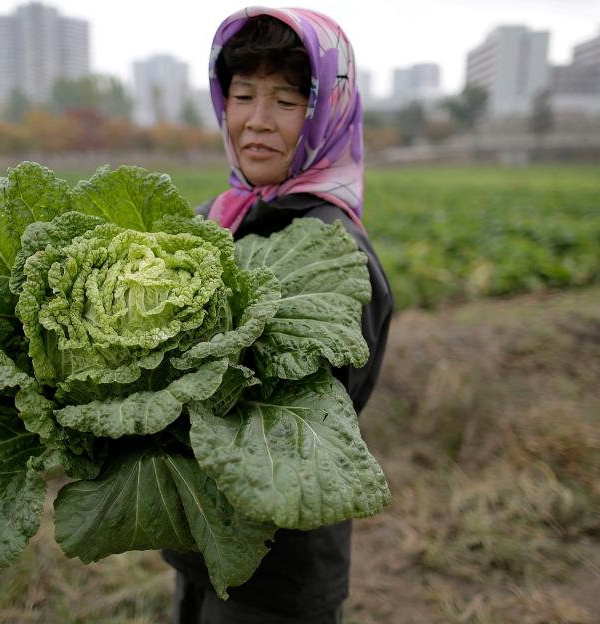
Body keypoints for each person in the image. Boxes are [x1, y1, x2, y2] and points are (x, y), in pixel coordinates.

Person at [161, 7, 393, 624]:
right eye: (242, 95)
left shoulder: (334, 251)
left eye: (287, 101)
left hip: (278, 570)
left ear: (325, 114)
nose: (256, 122)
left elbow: (300, 423)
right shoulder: (219, 216)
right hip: (198, 538)